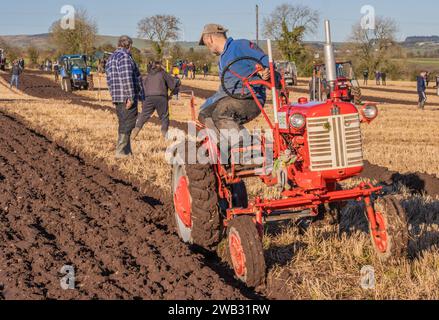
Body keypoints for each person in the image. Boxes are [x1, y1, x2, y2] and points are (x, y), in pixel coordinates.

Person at [197, 24, 270, 145]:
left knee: (221, 113)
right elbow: (224, 90)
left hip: (250, 98)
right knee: (204, 114)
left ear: (209, 38)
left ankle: (245, 144)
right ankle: (223, 147)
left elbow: (264, 60)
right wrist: (206, 105)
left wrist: (266, 70)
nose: (207, 47)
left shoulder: (239, 46)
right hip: (232, 98)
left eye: (205, 43)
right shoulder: (222, 59)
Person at [106, 35, 145, 158]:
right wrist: (130, 97)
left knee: (124, 122)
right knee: (128, 123)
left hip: (117, 97)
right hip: (126, 97)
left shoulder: (111, 58)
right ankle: (121, 151)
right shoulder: (124, 57)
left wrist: (113, 95)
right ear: (129, 45)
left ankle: (127, 152)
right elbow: (127, 77)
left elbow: (109, 80)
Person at [131, 61, 180, 139]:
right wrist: (175, 90)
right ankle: (165, 134)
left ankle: (134, 133)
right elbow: (173, 86)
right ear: (160, 66)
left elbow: (141, 88)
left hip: (148, 98)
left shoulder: (148, 75)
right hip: (161, 97)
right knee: (164, 116)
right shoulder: (163, 73)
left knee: (143, 116)